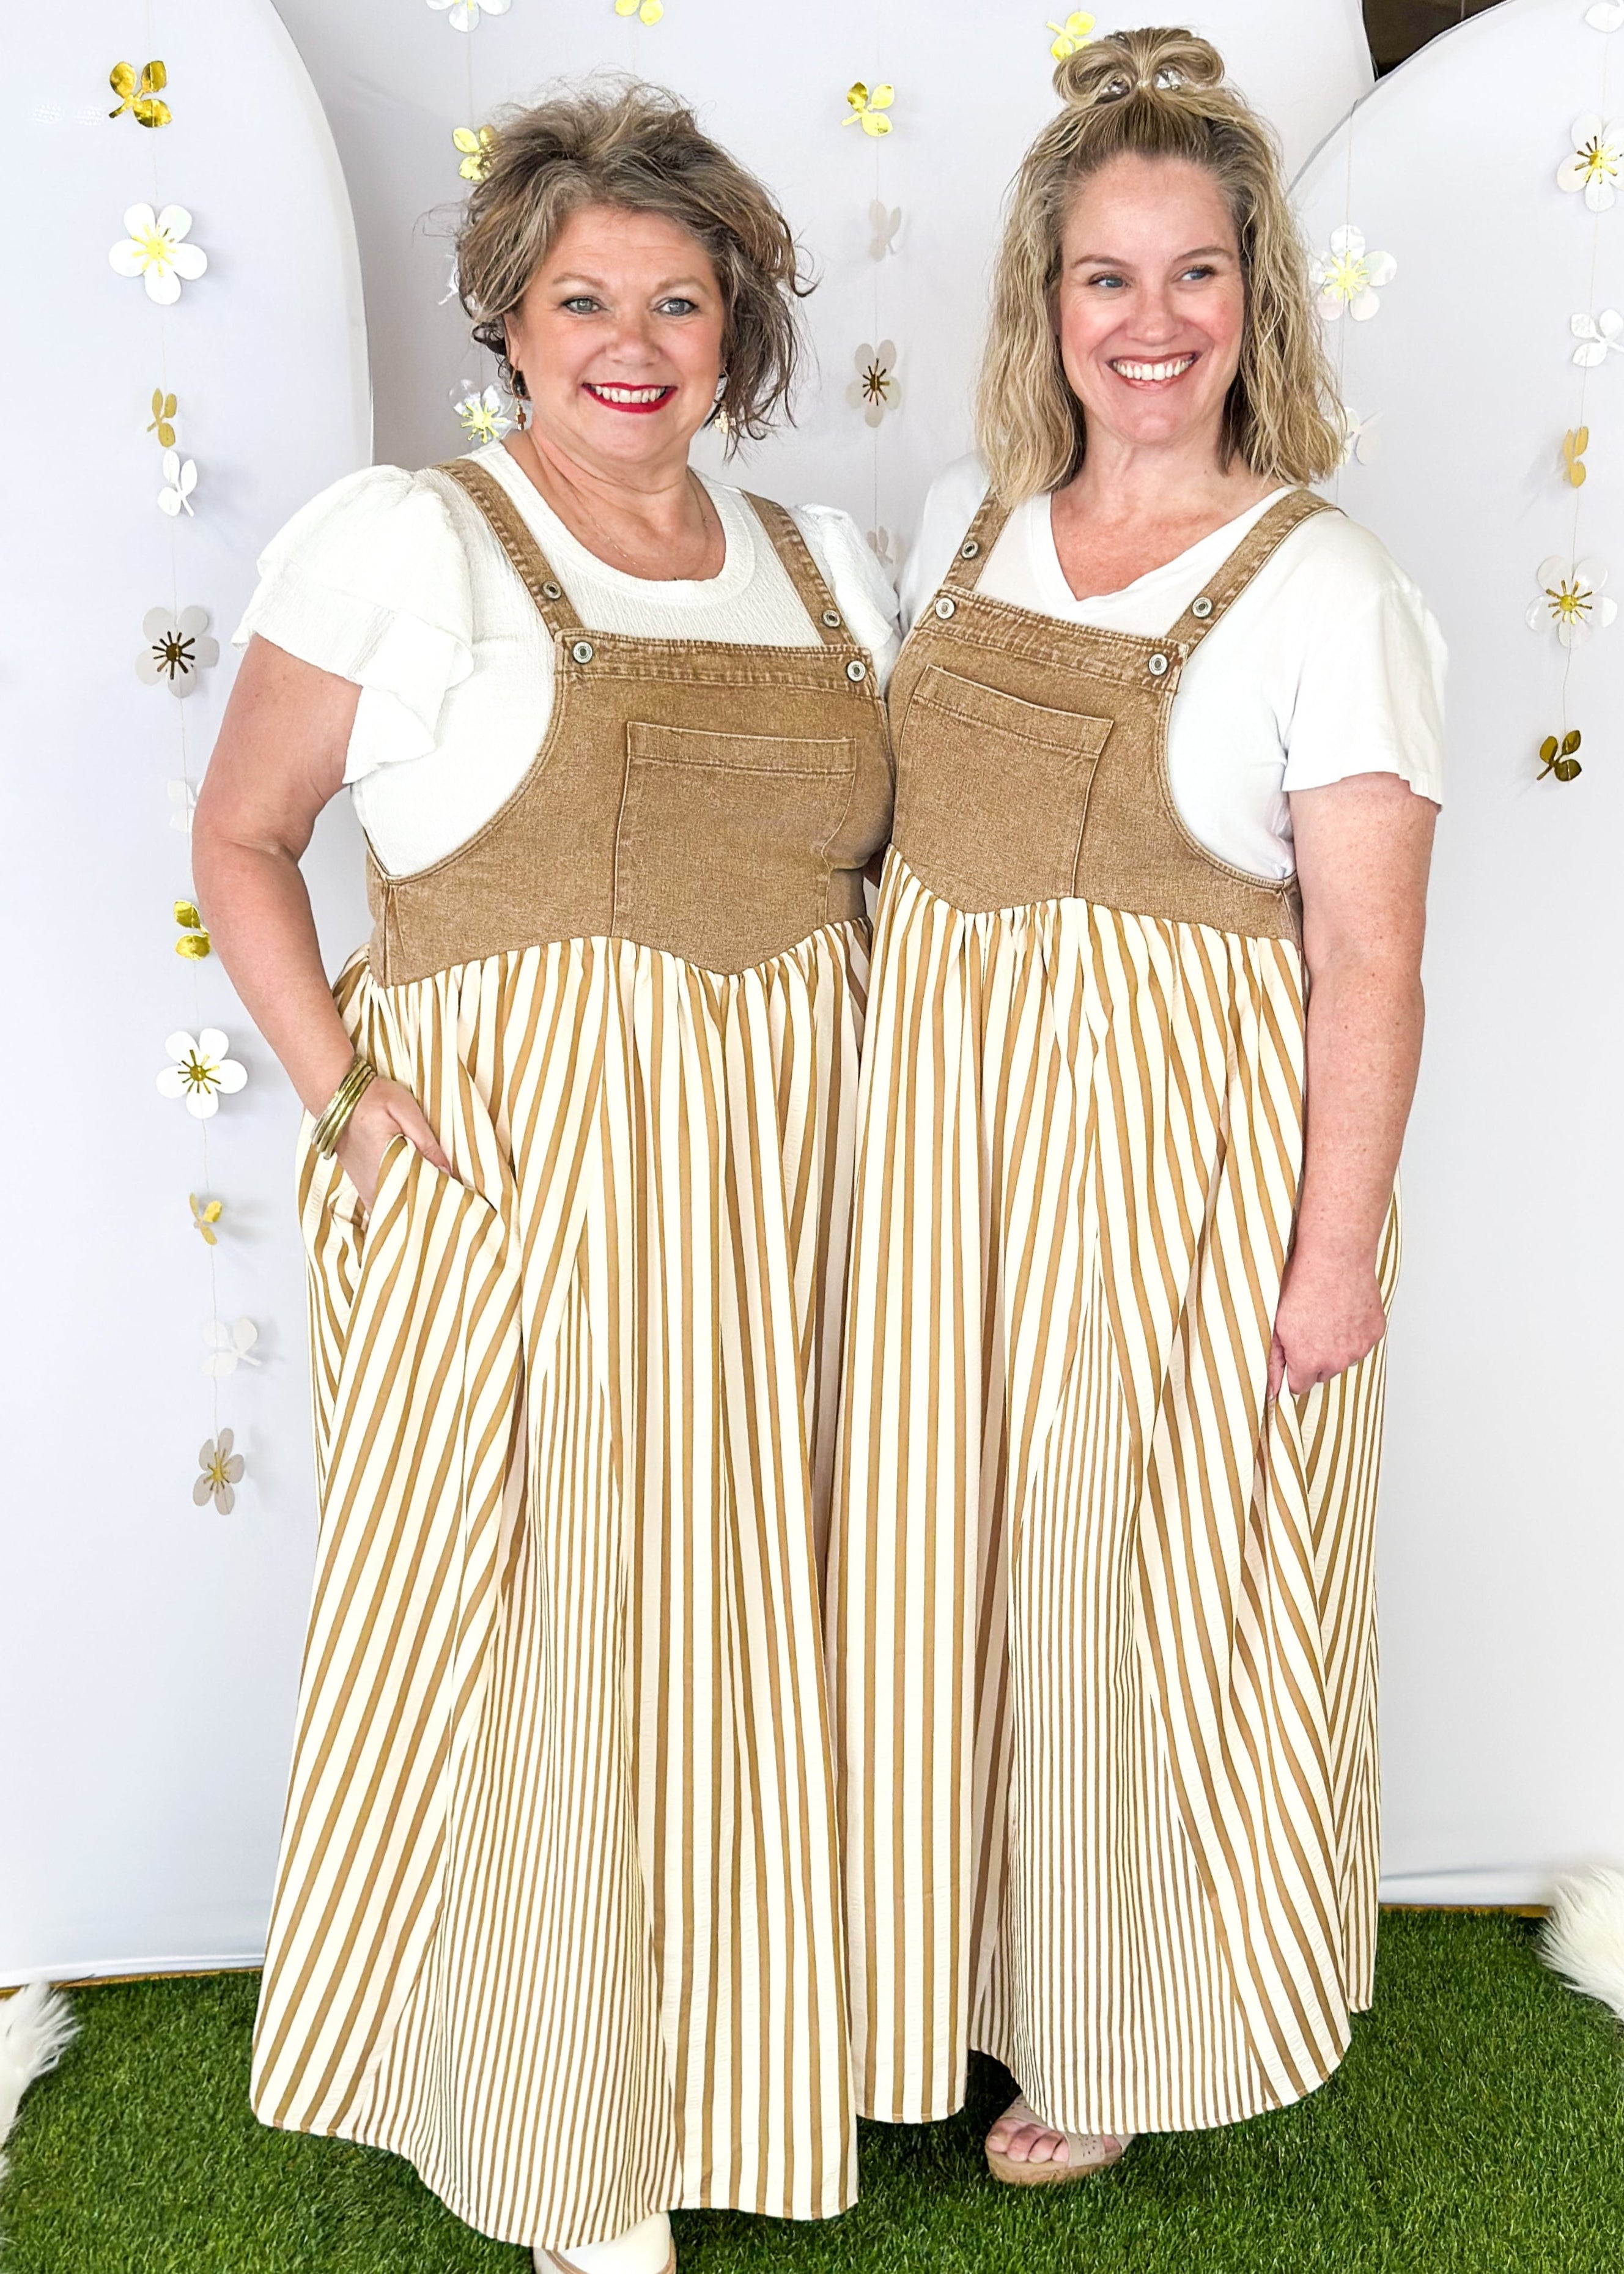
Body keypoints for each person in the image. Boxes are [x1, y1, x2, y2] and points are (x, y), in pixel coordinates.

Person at [192, 80, 898, 2274]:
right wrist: (344, 1094)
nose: (631, 336)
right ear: (506, 313)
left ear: (738, 327)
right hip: (521, 1165)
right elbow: (238, 839)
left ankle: (751, 2068)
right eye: (583, 294)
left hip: (797, 1165)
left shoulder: (824, 562)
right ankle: (557, 2133)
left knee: (758, 1625)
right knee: (559, 1639)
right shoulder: (404, 536)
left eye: (678, 298)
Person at [826, 25, 1444, 2188]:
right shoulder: (957, 523)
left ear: (1256, 305)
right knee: (936, 1573)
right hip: (944, 1152)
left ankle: (1109, 2028)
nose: (1153, 323)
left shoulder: (1327, 589)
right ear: (1047, 302)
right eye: (1111, 276)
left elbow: (1369, 955)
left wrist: (1334, 1252)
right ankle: (923, 1992)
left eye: (1198, 277)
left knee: (1121, 1592)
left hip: (1173, 1165)